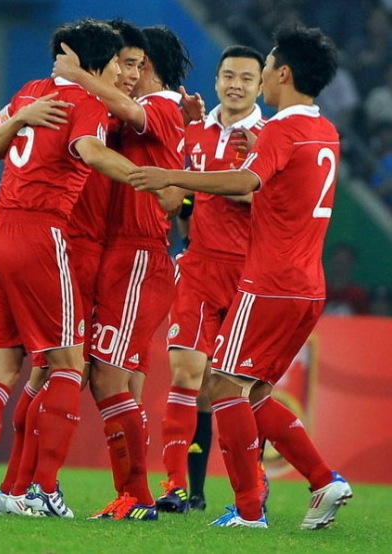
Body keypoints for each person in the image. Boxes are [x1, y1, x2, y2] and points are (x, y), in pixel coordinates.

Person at [129, 23, 353, 530]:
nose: (262, 78)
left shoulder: (280, 130)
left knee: (224, 386)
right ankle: (322, 480)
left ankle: (250, 511)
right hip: (307, 286)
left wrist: (173, 175)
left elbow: (245, 181)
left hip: (267, 281)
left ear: (283, 73)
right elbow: (280, 185)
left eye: (266, 69)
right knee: (251, 394)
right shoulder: (324, 131)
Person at [0, 18, 139, 517]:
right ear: (97, 61)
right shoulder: (89, 104)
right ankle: (40, 493)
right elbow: (89, 150)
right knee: (67, 364)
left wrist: (19, 118)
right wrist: (140, 175)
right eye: (119, 61)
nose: (123, 70)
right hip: (39, 234)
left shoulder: (33, 90)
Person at [52, 24, 192, 521]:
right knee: (119, 380)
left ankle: (138, 494)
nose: (127, 73)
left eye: (135, 64)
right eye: (121, 64)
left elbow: (133, 111)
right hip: (119, 256)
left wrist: (76, 74)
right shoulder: (151, 115)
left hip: (139, 258)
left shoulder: (161, 106)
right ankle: (132, 493)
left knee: (109, 376)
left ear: (151, 65)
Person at [153, 45, 268, 514]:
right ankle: (180, 488)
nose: (235, 84)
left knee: (247, 388)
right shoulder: (194, 133)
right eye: (227, 75)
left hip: (253, 274)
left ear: (262, 85)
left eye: (246, 77)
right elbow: (176, 199)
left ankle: (253, 487)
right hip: (199, 265)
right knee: (187, 374)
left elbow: (284, 209)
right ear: (217, 79)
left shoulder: (271, 136)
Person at [324, 242, 370, 315]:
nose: (339, 267)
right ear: (330, 262)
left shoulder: (358, 294)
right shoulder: (321, 291)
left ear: (352, 264)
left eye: (343, 263)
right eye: (337, 262)